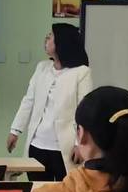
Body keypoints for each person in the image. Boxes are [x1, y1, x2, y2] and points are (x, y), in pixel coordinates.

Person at [7, 23, 93, 181]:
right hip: (37, 145)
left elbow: (85, 111)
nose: (46, 39)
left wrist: (80, 144)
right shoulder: (42, 67)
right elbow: (28, 101)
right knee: (39, 191)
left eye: (51, 36)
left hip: (65, 148)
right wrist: (15, 131)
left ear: (62, 42)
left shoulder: (81, 72)